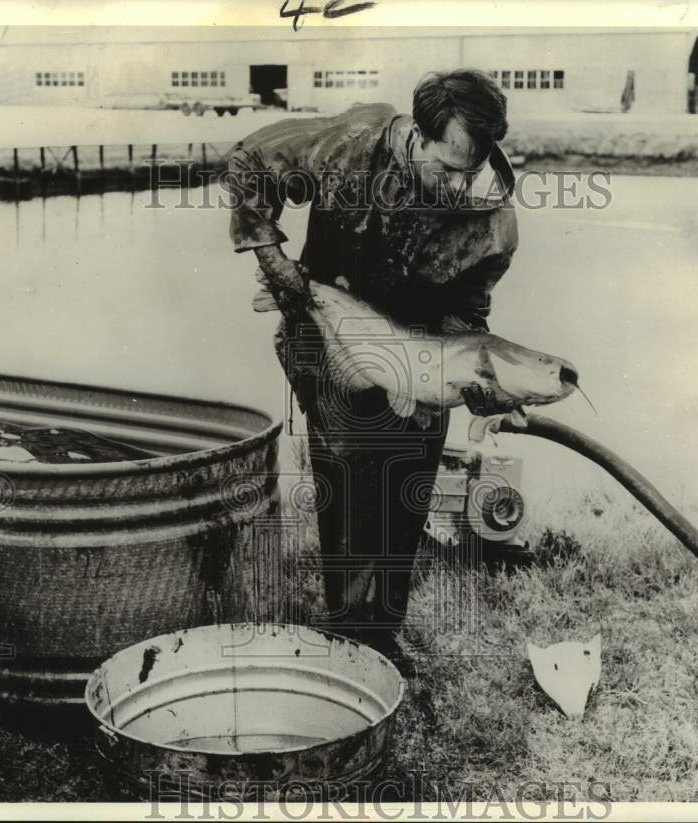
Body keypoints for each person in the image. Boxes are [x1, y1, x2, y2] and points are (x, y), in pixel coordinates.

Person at [226, 69, 517, 670]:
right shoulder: (351, 144)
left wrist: (476, 379)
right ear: (417, 135)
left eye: (472, 171)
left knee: (408, 483)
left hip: (424, 356)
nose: (458, 187)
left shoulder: (494, 226)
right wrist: (271, 256)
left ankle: (381, 636)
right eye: (445, 169)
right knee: (352, 477)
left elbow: (470, 313)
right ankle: (346, 636)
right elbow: (251, 158)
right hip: (331, 337)